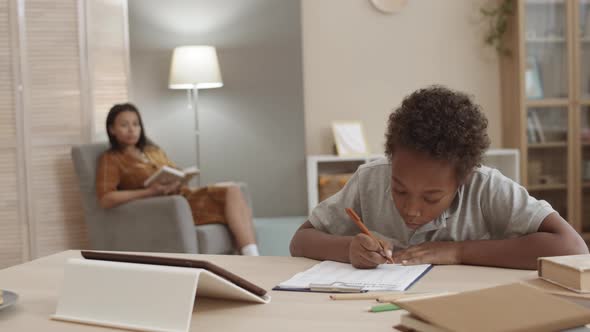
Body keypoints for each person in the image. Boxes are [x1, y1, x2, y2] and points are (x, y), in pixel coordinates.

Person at [290, 86, 588, 270]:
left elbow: (572, 248)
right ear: (391, 162)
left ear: (463, 179)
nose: (411, 209)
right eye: (399, 190)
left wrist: (458, 251)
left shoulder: (485, 186)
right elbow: (301, 240)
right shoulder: (370, 178)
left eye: (431, 197)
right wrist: (348, 249)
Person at [96, 103, 259, 256]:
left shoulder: (152, 150)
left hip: (183, 195)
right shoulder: (111, 159)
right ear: (112, 129)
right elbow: (106, 199)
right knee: (230, 192)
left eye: (135, 124)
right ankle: (252, 258)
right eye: (124, 125)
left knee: (234, 189)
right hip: (168, 208)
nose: (131, 130)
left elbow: (174, 171)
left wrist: (179, 179)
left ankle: (249, 258)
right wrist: (149, 192)